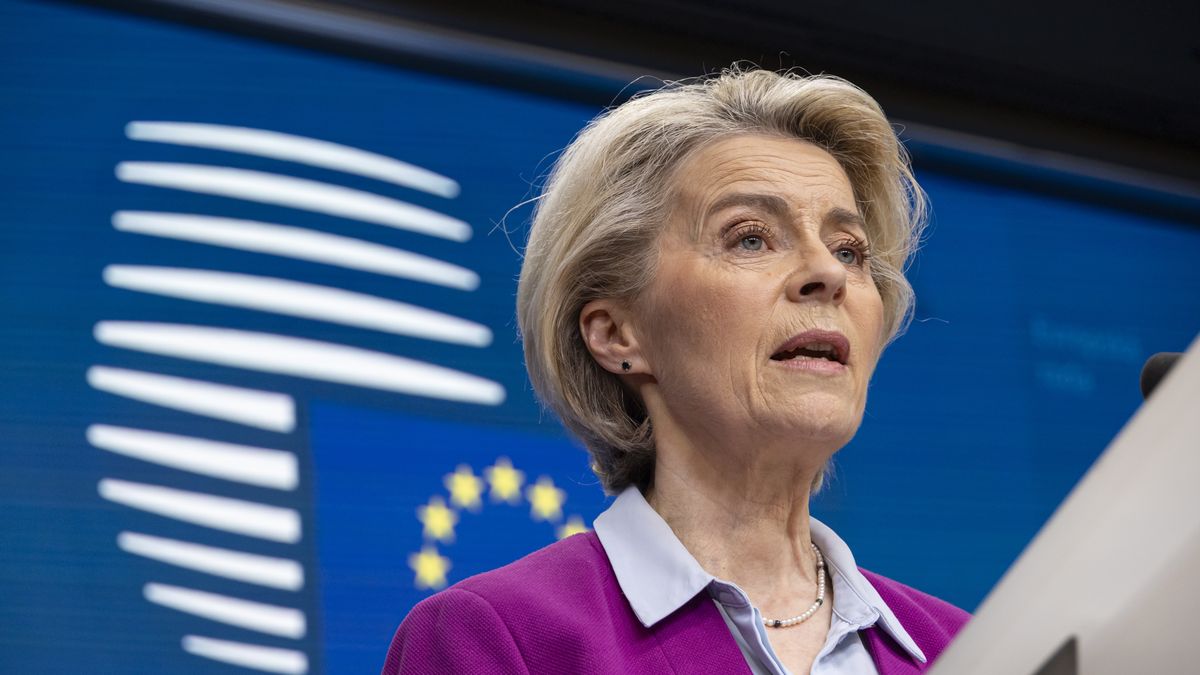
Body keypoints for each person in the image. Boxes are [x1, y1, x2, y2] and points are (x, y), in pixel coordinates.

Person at [383, 67, 969, 674]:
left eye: (849, 250)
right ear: (617, 334)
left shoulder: (971, 650)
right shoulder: (502, 638)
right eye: (750, 239)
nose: (828, 272)